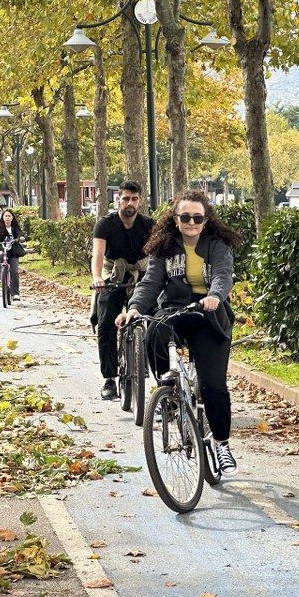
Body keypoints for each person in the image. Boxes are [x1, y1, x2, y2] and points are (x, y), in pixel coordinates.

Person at [116, 190, 241, 476]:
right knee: (153, 330)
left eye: (198, 217)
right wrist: (135, 308)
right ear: (175, 219)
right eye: (185, 217)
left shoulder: (217, 245)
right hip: (175, 311)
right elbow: (150, 283)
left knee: (214, 386)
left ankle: (222, 445)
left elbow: (223, 275)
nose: (191, 222)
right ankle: (169, 392)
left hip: (209, 315)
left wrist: (215, 296)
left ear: (206, 219)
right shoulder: (165, 247)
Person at [91, 180, 155, 401]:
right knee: (106, 321)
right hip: (113, 273)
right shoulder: (105, 224)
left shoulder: (148, 225)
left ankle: (157, 376)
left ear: (140, 201)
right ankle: (109, 378)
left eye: (134, 199)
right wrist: (98, 277)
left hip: (141, 273)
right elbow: (98, 254)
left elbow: (158, 254)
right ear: (118, 198)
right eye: (126, 198)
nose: (130, 203)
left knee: (156, 319)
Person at [0, 209, 27, 303]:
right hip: (2, 249)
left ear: (12, 218)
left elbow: (20, 234)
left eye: (9, 216)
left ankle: (15, 294)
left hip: (13, 252)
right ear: (3, 217)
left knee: (14, 271)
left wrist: (20, 238)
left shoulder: (15, 227)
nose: (7, 218)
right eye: (6, 216)